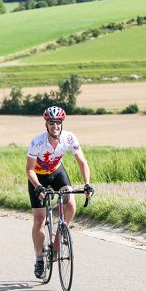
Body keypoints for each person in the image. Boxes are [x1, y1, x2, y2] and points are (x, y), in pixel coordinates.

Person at [25, 106, 93, 279]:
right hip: (38, 178)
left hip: (57, 173)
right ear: (46, 124)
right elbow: (29, 170)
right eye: (51, 122)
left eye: (58, 122)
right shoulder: (37, 142)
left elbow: (82, 162)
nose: (55, 126)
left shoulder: (69, 138)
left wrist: (87, 184)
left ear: (62, 123)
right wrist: (38, 187)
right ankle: (39, 259)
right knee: (40, 219)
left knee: (70, 203)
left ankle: (59, 238)